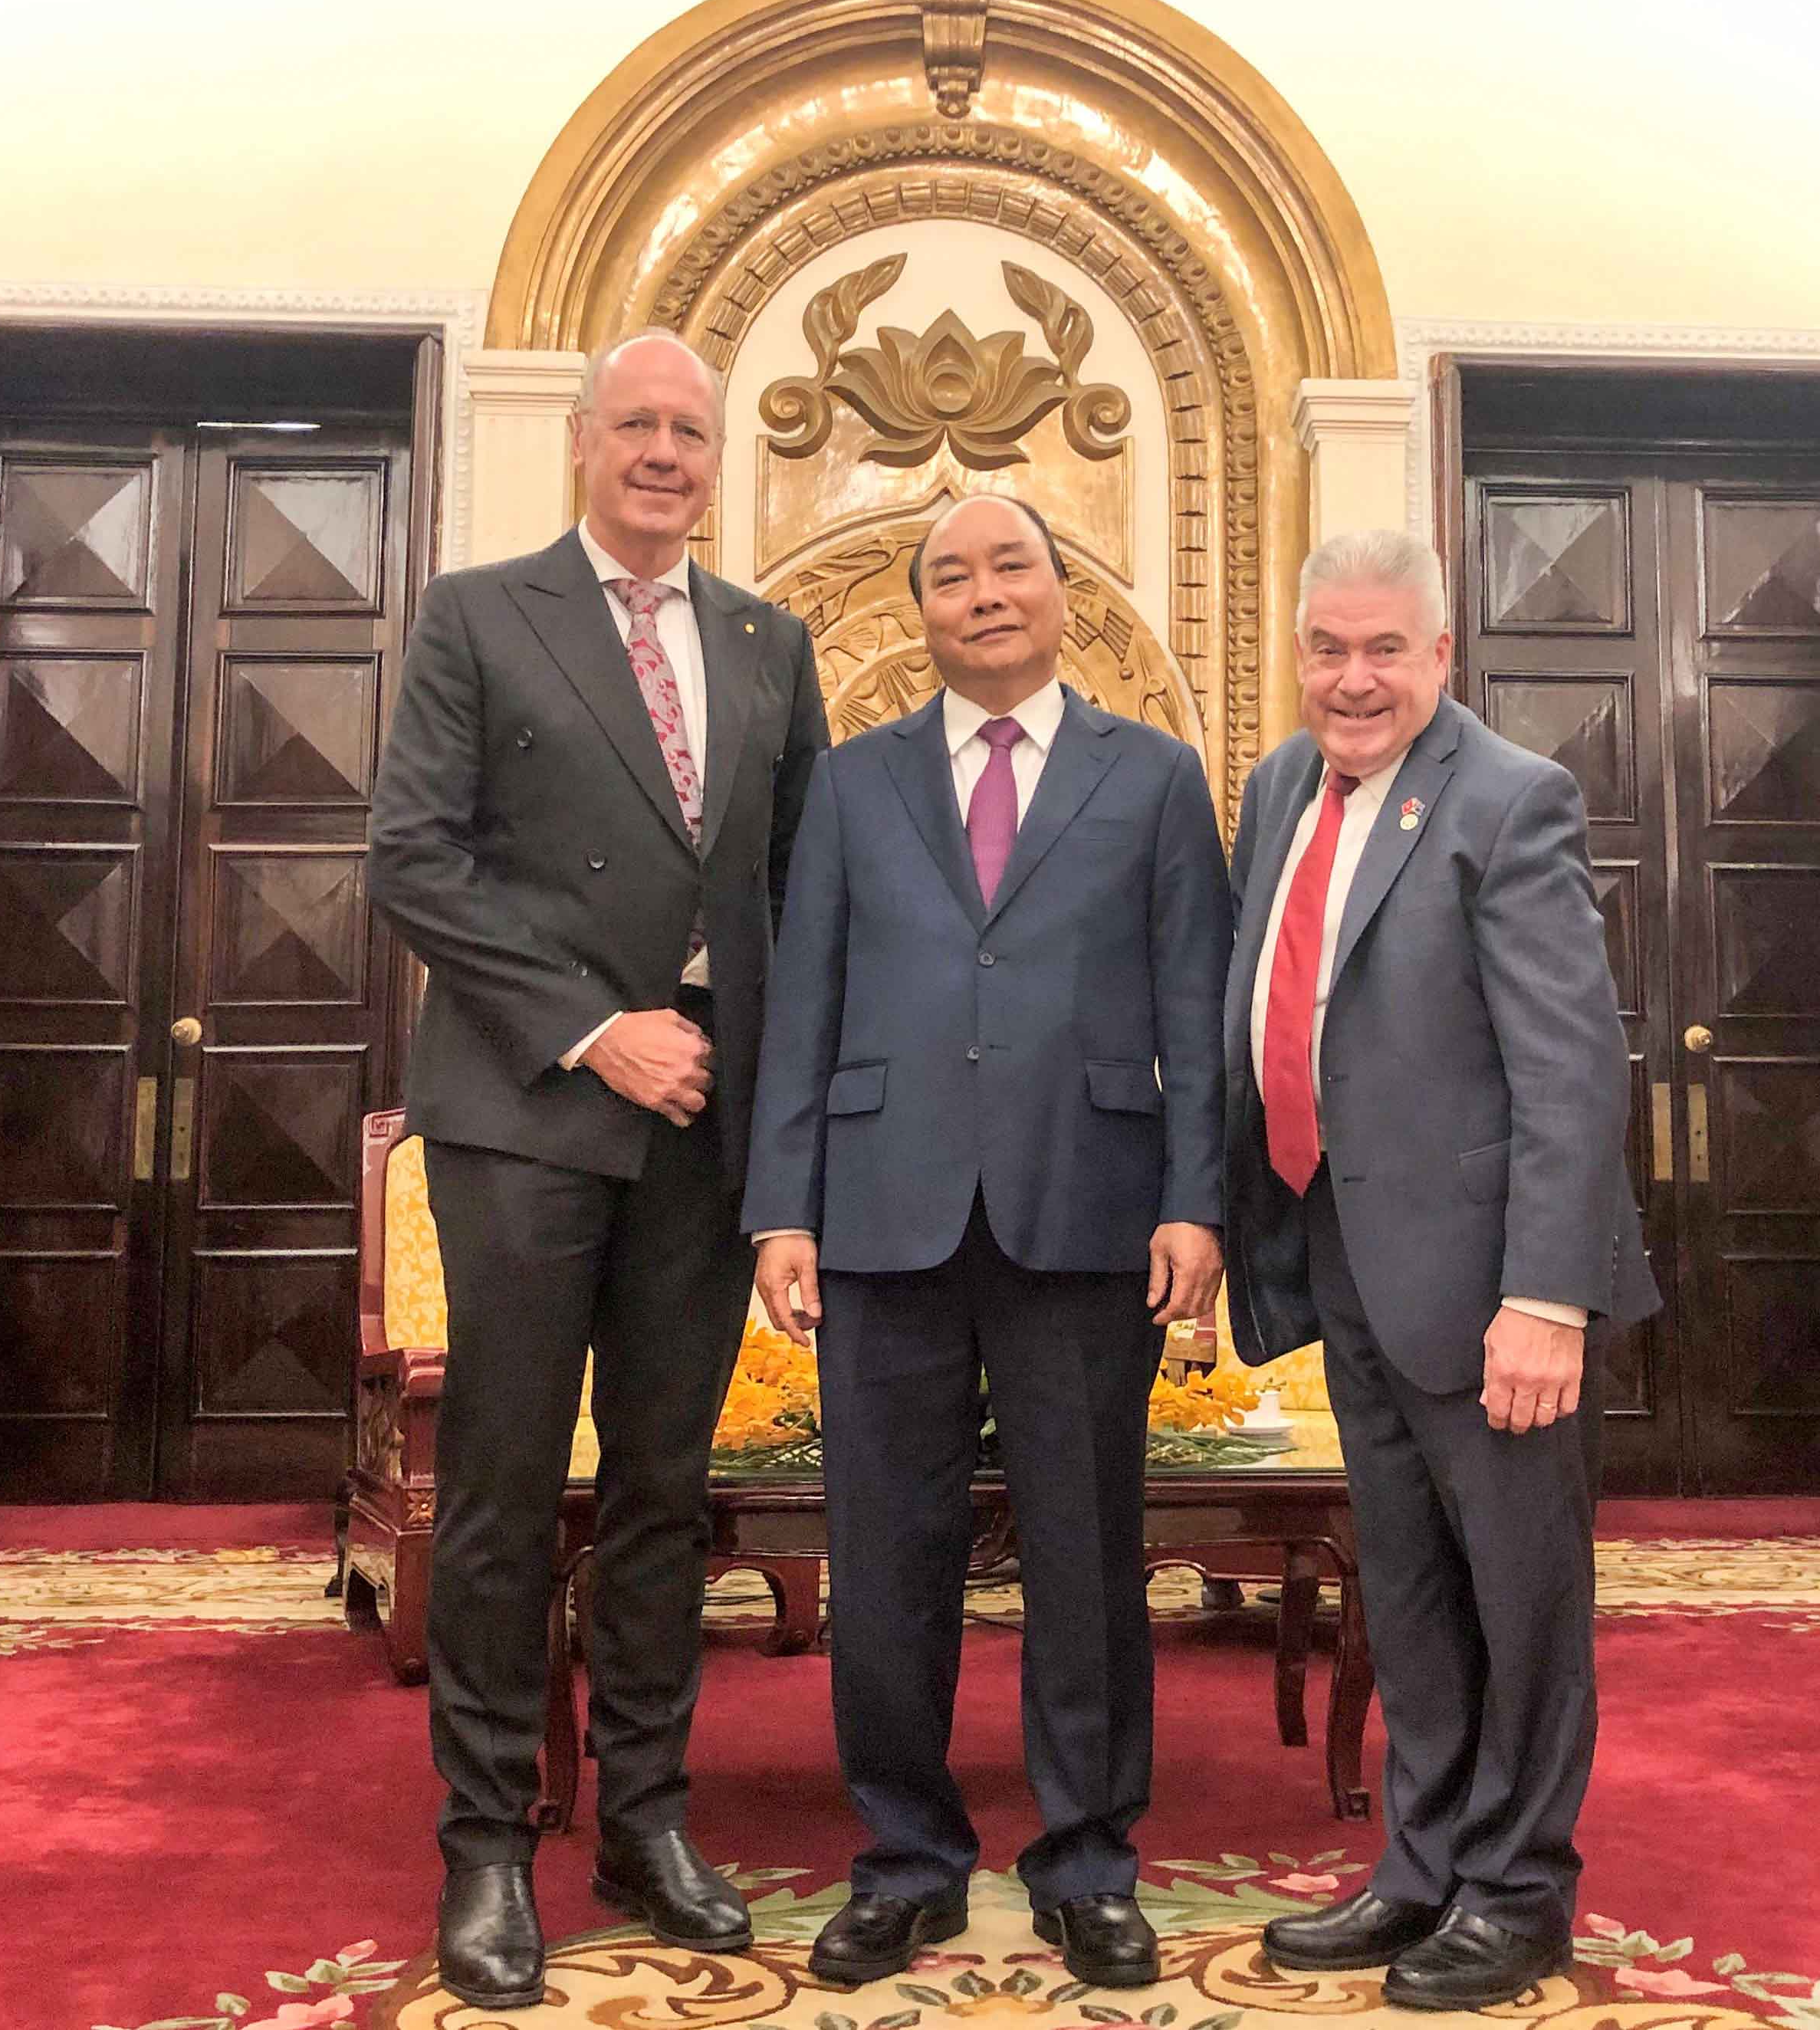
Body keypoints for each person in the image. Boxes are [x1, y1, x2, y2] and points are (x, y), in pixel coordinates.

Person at [367, 329, 829, 2010]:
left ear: (718, 459)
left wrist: (793, 1125)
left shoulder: (772, 642)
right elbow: (413, 860)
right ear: (582, 440)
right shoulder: (480, 614)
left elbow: (799, 890)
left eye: (689, 431)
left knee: (660, 1496)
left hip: (705, 1127)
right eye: (635, 423)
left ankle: (645, 1823)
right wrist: (595, 1029)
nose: (663, 453)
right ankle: (487, 1844)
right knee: (502, 1494)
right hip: (530, 1116)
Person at [741, 494, 1231, 1994]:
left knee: (1087, 1551)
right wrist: (781, 1205)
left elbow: (1197, 1008)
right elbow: (803, 1001)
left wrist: (1196, 1199)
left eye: (1011, 564)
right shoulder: (854, 781)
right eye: (951, 575)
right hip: (882, 1210)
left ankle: (1089, 1859)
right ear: (924, 613)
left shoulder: (1153, 777)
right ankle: (904, 1859)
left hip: (1089, 1205)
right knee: (888, 1553)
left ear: (1063, 592)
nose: (984, 592)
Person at [1221, 529, 1656, 2014]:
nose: (1355, 679)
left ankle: (1518, 1889)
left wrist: (1547, 1298)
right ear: (1298, 652)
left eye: (1386, 650)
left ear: (1441, 655)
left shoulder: (1511, 798)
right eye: (1329, 648)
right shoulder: (1280, 788)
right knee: (1406, 1592)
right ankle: (1423, 1866)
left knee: (1521, 1600)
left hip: (1490, 1293)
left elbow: (1573, 1068)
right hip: (1349, 1258)